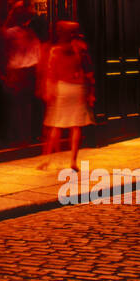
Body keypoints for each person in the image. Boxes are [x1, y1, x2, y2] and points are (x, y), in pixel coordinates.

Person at [38, 20, 93, 169]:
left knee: (56, 125)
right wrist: (90, 92)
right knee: (76, 126)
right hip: (77, 88)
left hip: (62, 88)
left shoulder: (55, 50)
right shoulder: (80, 48)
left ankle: (47, 159)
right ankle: (73, 161)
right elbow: (88, 71)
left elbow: (51, 72)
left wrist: (48, 90)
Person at [2, 1, 41, 145]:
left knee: (16, 105)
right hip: (29, 70)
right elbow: (38, 54)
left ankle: (19, 137)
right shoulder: (31, 34)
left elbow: (4, 50)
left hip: (16, 71)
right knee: (27, 104)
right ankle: (26, 135)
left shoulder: (11, 33)